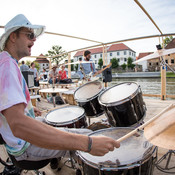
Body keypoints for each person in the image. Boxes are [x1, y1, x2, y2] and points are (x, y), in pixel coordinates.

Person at [0, 14, 120, 164]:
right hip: (24, 147)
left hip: (15, 141)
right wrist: (87, 144)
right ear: (13, 36)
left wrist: (27, 109)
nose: (34, 39)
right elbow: (19, 125)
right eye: (30, 35)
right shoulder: (7, 66)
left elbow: (9, 111)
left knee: (59, 126)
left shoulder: (6, 62)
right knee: (88, 136)